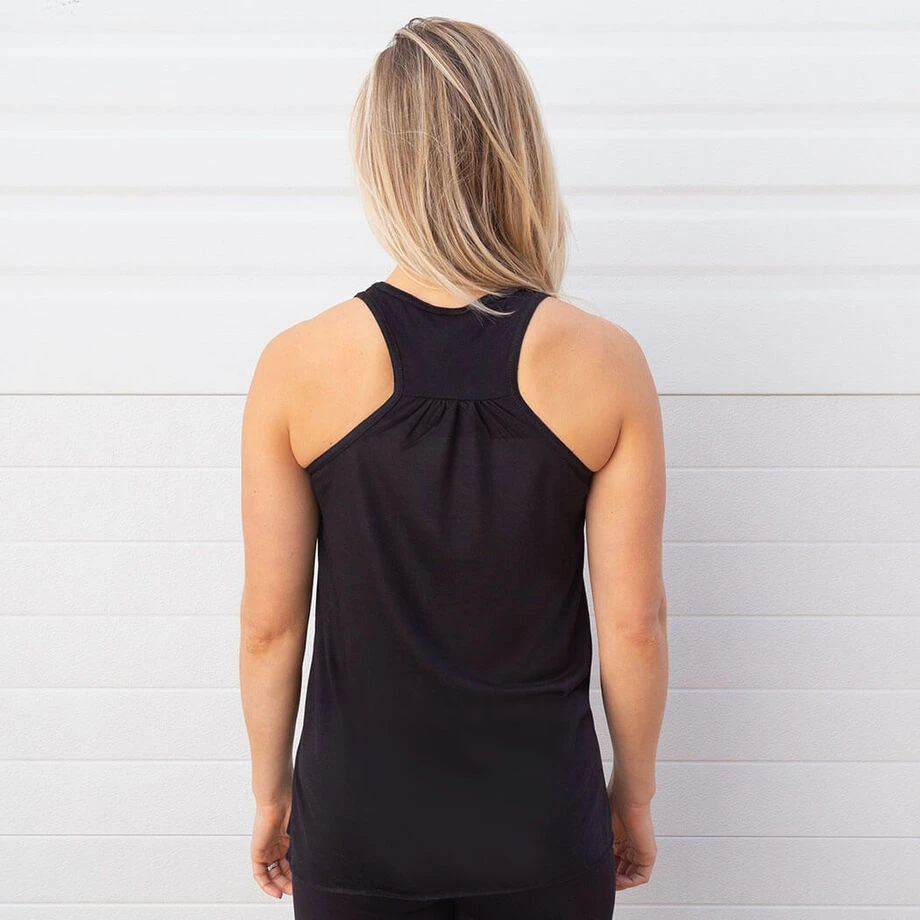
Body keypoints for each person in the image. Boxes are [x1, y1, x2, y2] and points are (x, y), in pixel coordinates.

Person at [239, 16, 668, 920]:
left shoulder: (298, 364)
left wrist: (271, 794)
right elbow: (633, 625)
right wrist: (632, 796)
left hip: (356, 824)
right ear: (518, 150)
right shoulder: (604, 361)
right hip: (540, 826)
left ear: (383, 163)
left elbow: (271, 630)